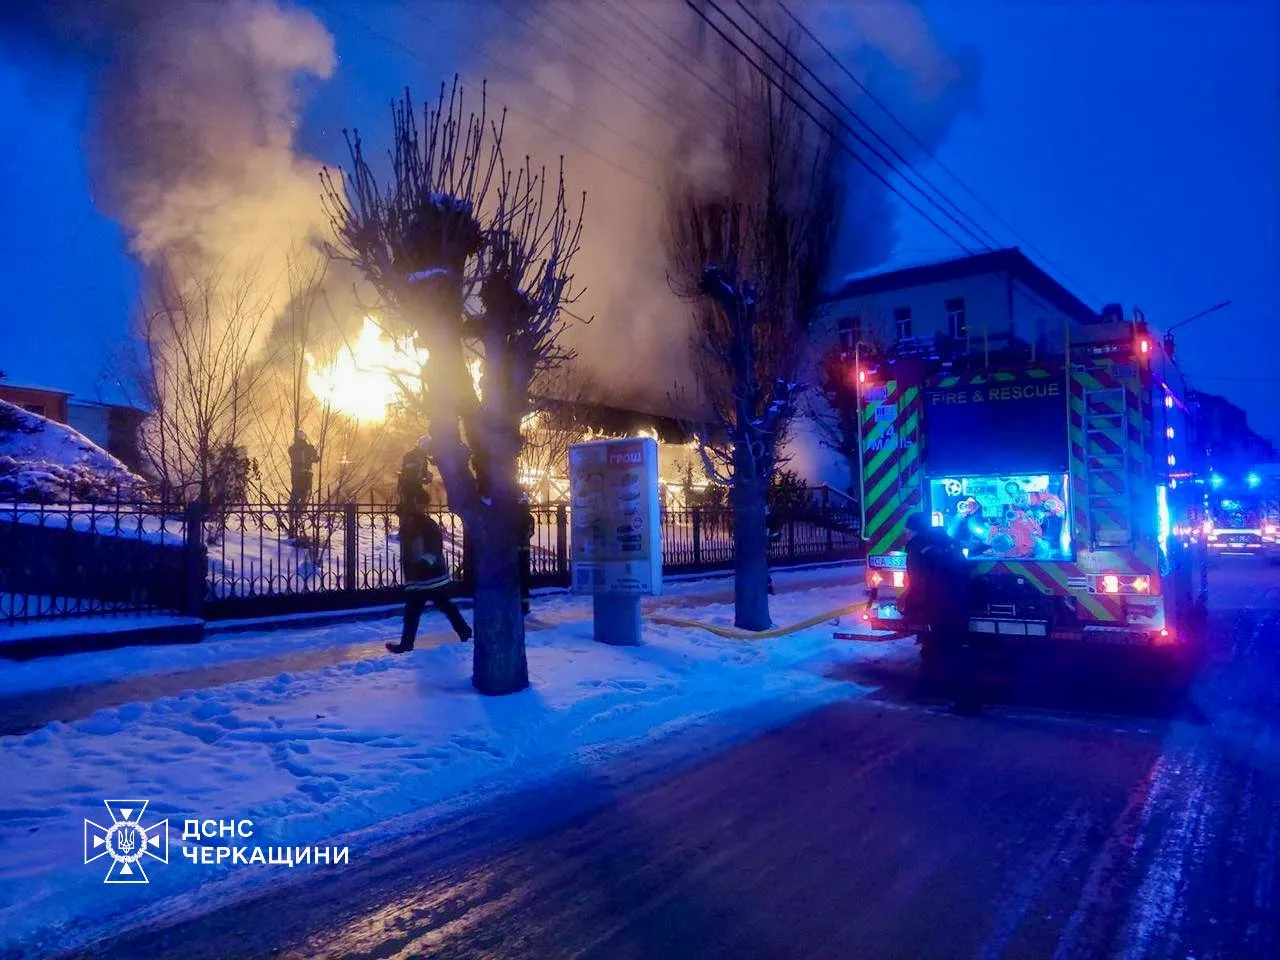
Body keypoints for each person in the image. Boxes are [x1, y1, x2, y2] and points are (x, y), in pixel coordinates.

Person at [386, 446, 472, 653]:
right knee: (415, 612)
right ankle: (408, 643)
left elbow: (434, 548)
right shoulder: (409, 523)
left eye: (414, 503)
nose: (411, 506)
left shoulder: (427, 524)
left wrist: (425, 561)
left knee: (444, 607)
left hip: (431, 577)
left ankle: (464, 632)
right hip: (418, 579)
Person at [899, 512, 978, 714]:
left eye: (907, 530)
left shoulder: (918, 550)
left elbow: (919, 584)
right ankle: (923, 689)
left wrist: (910, 609)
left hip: (940, 607)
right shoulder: (947, 545)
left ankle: (967, 701)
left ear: (913, 530)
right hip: (958, 602)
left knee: (948, 651)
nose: (905, 533)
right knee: (935, 648)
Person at [518, 494, 535, 616]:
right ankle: (525, 606)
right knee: (524, 579)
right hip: (525, 551)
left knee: (516, 578)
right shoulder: (530, 518)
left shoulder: (514, 517)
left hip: (514, 552)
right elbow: (530, 533)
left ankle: (519, 604)